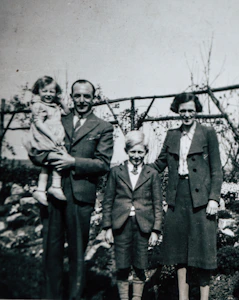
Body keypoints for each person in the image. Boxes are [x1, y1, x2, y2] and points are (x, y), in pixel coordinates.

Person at [28, 79, 114, 300]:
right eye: (77, 95)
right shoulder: (57, 118)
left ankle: (75, 297)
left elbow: (103, 164)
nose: (82, 100)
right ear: (71, 97)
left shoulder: (103, 127)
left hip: (80, 196)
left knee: (77, 253)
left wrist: (73, 162)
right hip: (53, 195)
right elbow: (36, 147)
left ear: (93, 98)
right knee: (51, 251)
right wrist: (43, 156)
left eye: (87, 96)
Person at [150, 92, 223, 300]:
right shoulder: (172, 135)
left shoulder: (208, 133)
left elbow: (216, 170)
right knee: (179, 253)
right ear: (177, 112)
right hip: (177, 198)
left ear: (196, 111)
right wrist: (134, 171)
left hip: (201, 201)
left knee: (202, 253)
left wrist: (213, 198)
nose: (187, 115)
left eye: (191, 110)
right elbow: (159, 164)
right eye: (183, 111)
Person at [102, 130, 163, 300]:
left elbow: (158, 204)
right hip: (121, 225)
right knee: (122, 266)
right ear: (127, 151)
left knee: (140, 265)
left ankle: (136, 298)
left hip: (143, 225)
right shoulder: (116, 172)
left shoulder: (152, 174)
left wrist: (155, 230)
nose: (136, 156)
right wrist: (107, 228)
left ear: (146, 152)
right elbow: (108, 201)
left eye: (140, 152)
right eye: (133, 152)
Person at [24, 76, 70, 205]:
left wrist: (61, 102)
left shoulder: (54, 105)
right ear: (38, 91)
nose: (48, 94)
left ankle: (42, 189)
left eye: (52, 91)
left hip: (54, 138)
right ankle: (54, 186)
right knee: (58, 158)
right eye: (45, 91)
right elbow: (39, 124)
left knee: (48, 165)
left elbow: (67, 113)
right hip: (45, 138)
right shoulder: (39, 106)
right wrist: (52, 136)